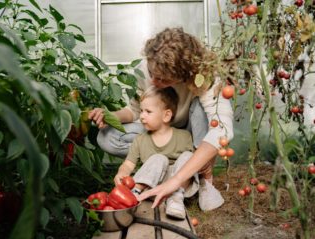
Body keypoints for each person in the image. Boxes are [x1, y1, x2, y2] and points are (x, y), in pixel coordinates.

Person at [89, 27, 234, 210]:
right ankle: (162, 167)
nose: (155, 83)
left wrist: (176, 181)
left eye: (164, 81)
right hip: (158, 130)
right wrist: (110, 116)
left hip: (190, 135)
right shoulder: (144, 68)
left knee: (202, 110)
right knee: (107, 136)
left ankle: (201, 177)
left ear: (184, 76)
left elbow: (222, 129)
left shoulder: (205, 75)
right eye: (152, 75)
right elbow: (134, 110)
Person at [114, 86, 198, 219]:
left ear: (166, 115)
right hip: (151, 186)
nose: (141, 116)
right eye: (141, 111)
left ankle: (175, 199)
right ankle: (135, 193)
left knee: (189, 157)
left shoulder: (184, 136)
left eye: (148, 111)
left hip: (176, 186)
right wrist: (121, 173)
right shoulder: (140, 139)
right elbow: (128, 164)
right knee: (159, 158)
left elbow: (191, 168)